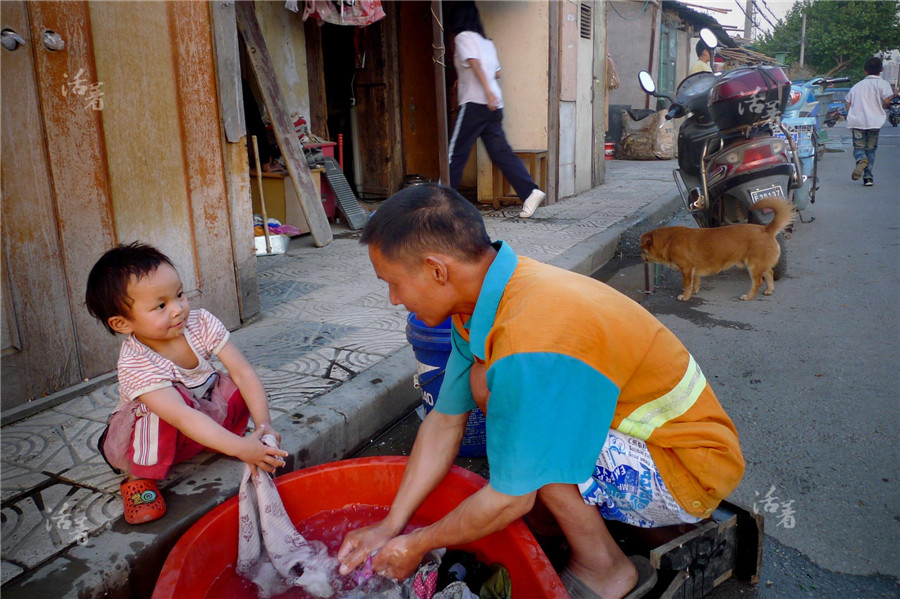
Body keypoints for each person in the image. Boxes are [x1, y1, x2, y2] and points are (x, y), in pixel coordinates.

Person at [337, 184, 745, 599]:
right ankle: (562, 517)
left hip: (686, 469)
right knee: (495, 394)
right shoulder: (484, 298)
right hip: (637, 441)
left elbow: (511, 499)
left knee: (522, 431)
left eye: (393, 283)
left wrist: (417, 542)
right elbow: (444, 422)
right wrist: (390, 526)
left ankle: (605, 567)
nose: (392, 300)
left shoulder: (527, 338)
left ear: (437, 270)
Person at [85, 242, 287, 524]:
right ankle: (139, 479)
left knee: (231, 383)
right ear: (122, 324)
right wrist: (241, 448)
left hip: (192, 425)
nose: (178, 309)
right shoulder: (135, 362)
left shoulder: (200, 322)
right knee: (155, 409)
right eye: (160, 305)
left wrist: (265, 424)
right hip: (140, 442)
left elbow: (244, 373)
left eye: (179, 294)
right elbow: (181, 415)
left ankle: (213, 441)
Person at [447, 2, 546, 219]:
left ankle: (442, 203)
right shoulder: (486, 42)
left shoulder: (463, 37)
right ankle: (530, 192)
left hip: (475, 103)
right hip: (494, 106)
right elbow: (497, 73)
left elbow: (474, 64)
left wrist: (481, 88)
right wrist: (487, 89)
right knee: (500, 152)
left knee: (455, 153)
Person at [845, 56, 896, 187]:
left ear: (865, 71)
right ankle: (868, 178)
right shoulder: (883, 84)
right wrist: (883, 106)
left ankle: (861, 160)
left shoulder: (857, 86)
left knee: (858, 148)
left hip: (857, 122)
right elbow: (886, 101)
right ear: (882, 69)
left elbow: (848, 102)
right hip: (874, 122)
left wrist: (850, 114)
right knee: (871, 150)